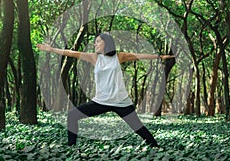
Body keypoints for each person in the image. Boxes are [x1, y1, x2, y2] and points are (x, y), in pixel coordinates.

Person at [37, 33, 175, 147]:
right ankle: (70, 146)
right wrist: (51, 49)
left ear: (106, 43)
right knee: (72, 116)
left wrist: (160, 57)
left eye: (98, 41)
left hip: (121, 101)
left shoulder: (119, 56)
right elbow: (72, 53)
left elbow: (139, 56)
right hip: (101, 101)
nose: (95, 44)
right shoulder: (94, 57)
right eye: (95, 42)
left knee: (137, 127)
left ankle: (155, 146)